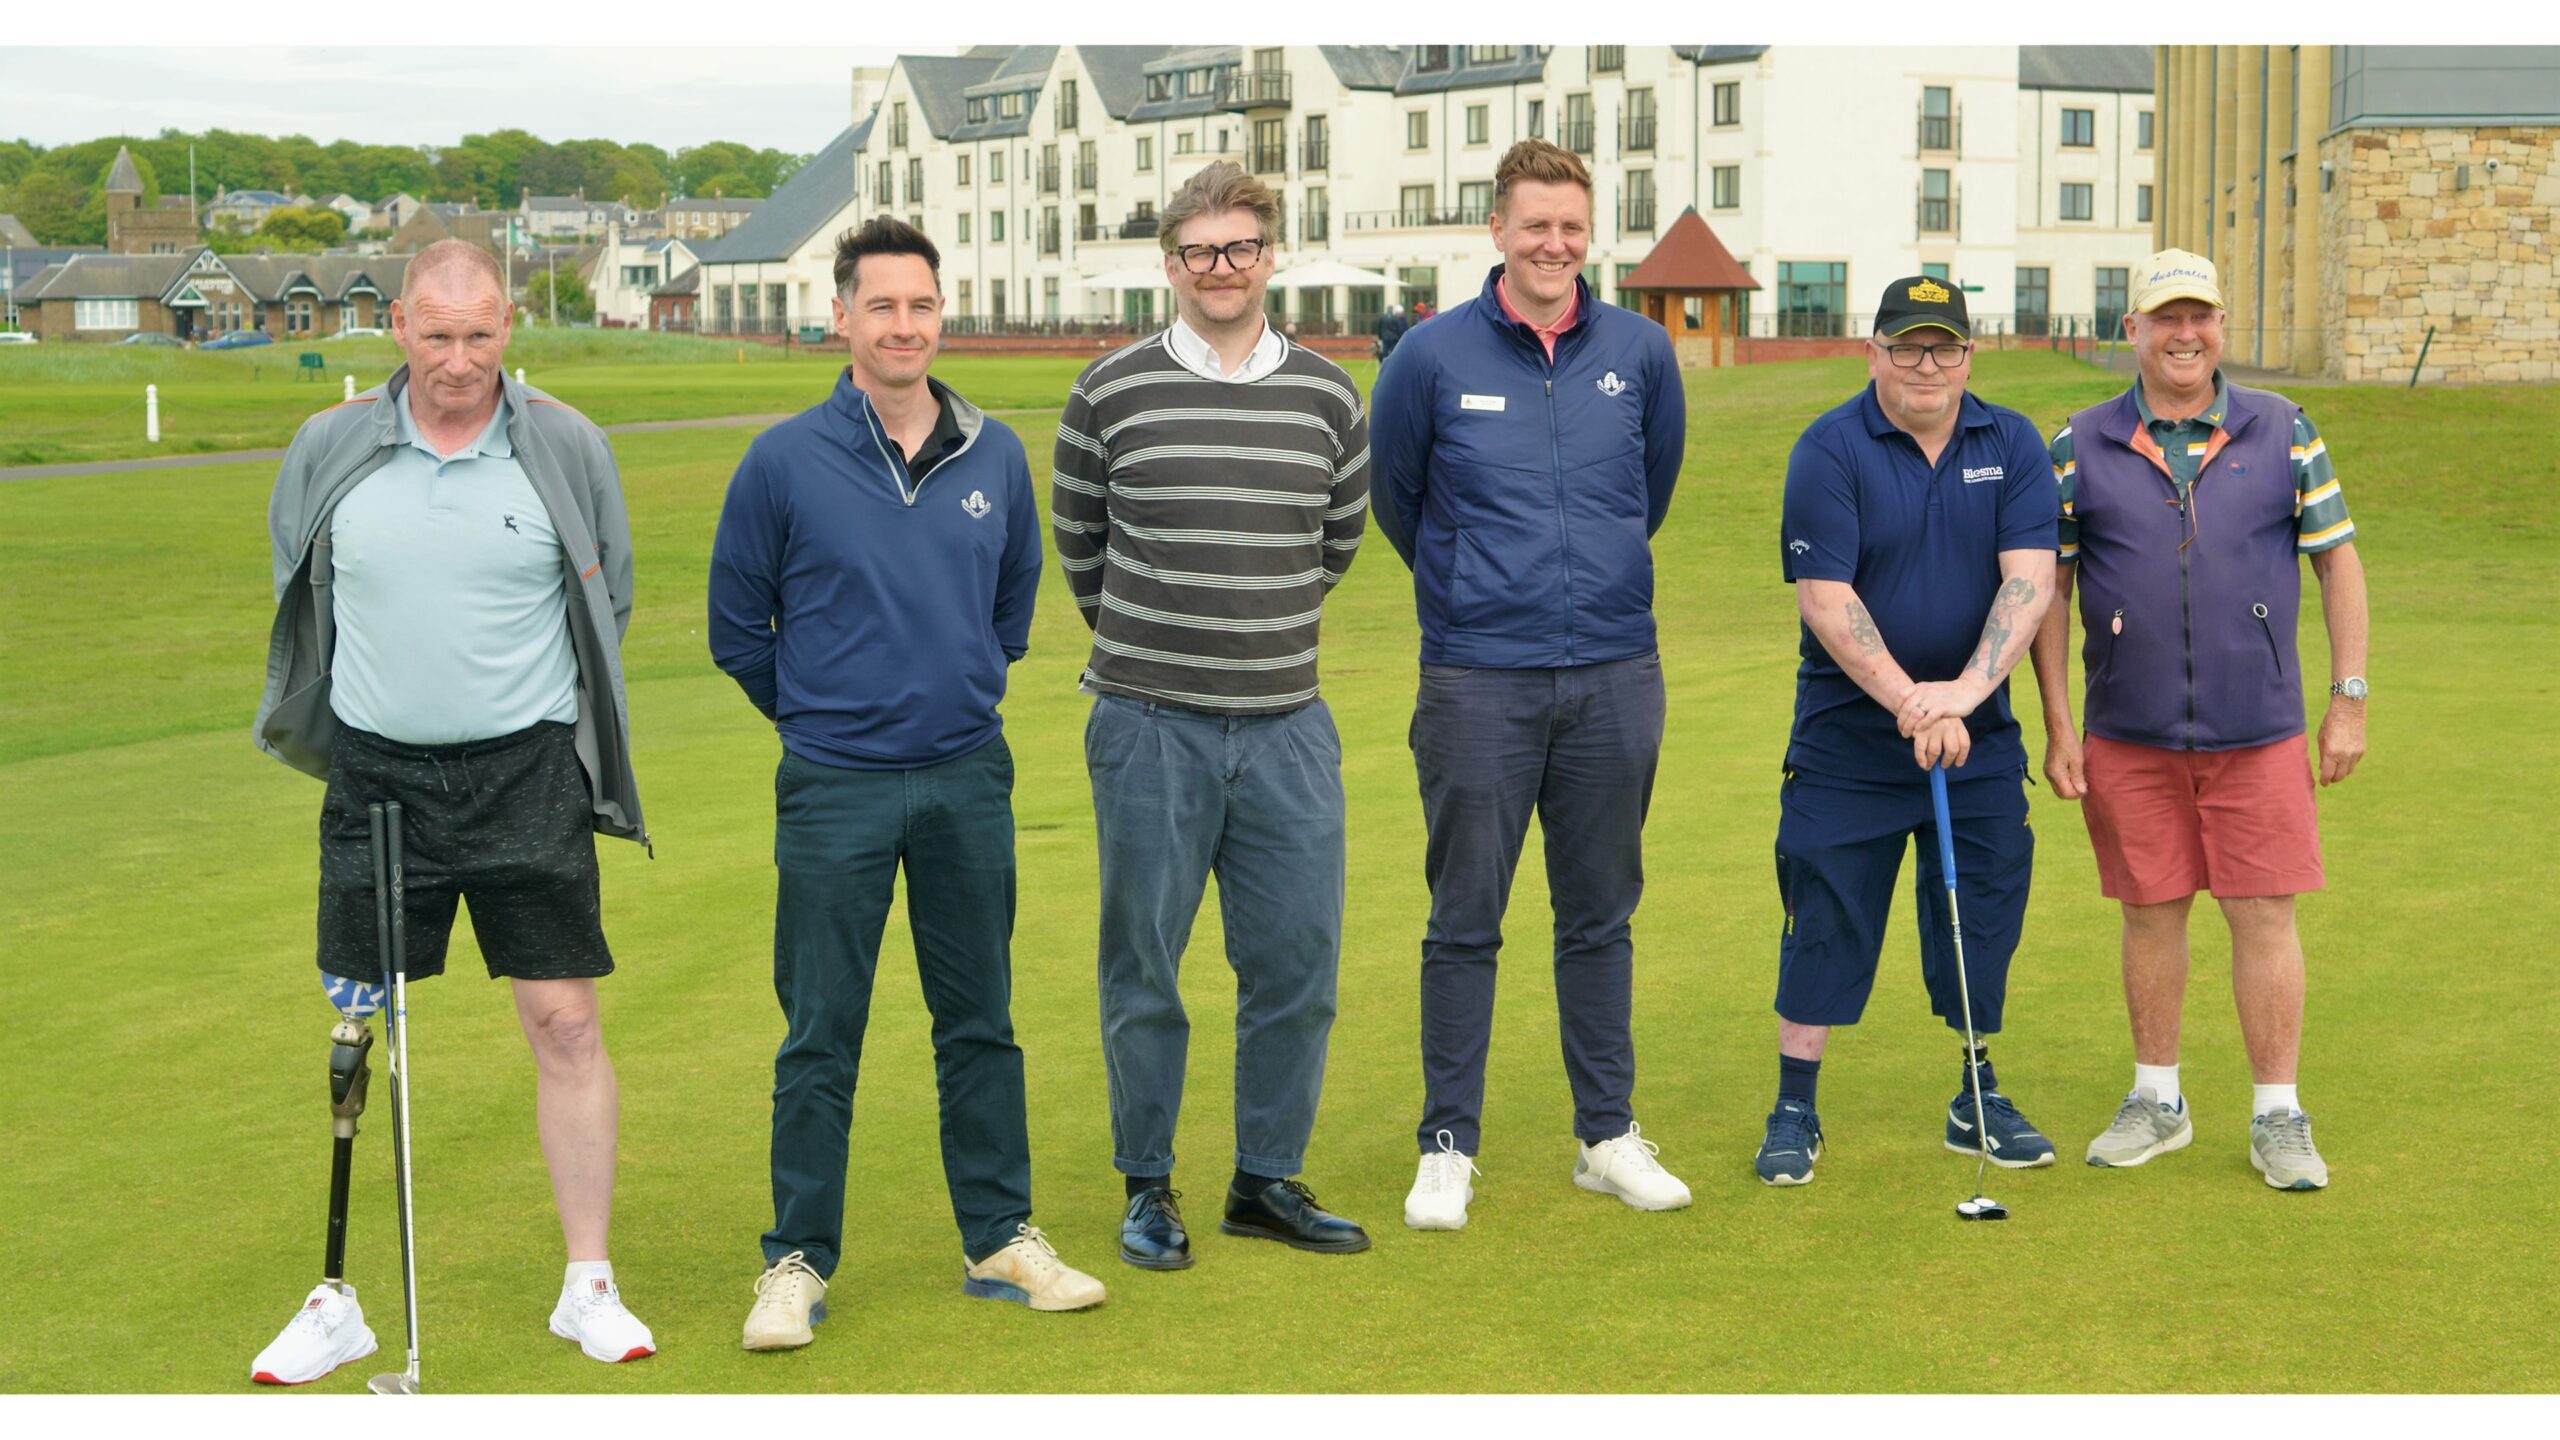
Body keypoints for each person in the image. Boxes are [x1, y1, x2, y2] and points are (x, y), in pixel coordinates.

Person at [250, 238, 655, 1382]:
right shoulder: (329, 444)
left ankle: (587, 1285)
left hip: (529, 771)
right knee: (357, 1022)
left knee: (564, 1022)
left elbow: (609, 596)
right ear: (399, 328)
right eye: (438, 335)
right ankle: (336, 1300)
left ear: (508, 326)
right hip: (377, 776)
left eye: (481, 335)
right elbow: (300, 585)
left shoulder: (565, 444)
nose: (460, 359)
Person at [710, 218, 1104, 1348]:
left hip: (965, 777)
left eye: (920, 305)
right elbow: (738, 629)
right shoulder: (783, 461)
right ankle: (796, 1259)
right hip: (833, 786)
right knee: (819, 1032)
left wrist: (950, 689)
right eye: (880, 306)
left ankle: (999, 1236)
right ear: (841, 317)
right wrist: (822, 715)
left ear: (942, 313)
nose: (903, 326)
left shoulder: (993, 455)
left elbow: (1010, 611)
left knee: (979, 1020)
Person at [1052, 161, 1373, 1269]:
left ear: (1270, 254)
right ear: (1171, 263)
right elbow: (1082, 547)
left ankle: (1264, 1180)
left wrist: (1249, 631)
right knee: (1143, 967)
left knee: (1297, 967)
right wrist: (1166, 640)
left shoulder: (1329, 395)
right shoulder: (1110, 390)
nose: (1219, 267)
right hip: (1148, 723)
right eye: (1198, 250)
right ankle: (1148, 1186)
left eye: (1239, 247)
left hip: (1287, 726)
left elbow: (1333, 543)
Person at [1369, 139, 1689, 1231]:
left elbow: (1646, 494)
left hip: (1614, 671)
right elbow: (1400, 503)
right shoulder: (1429, 356)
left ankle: (1605, 1136)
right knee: (1464, 920)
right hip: (1477, 680)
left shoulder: (1641, 351)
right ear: (1497, 229)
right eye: (1535, 225)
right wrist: (1478, 587)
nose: (1554, 244)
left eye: (1571, 226)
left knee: (1599, 917)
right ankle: (1446, 1146)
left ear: (1588, 234)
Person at [2031, 248, 2367, 1191]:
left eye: (2201, 317)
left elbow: (2337, 562)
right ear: (2131, 330)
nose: (2185, 335)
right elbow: (2050, 590)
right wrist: (2060, 724)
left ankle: (2278, 1115)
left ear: (2221, 325)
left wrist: (2348, 698)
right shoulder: (2078, 443)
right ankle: (2158, 1102)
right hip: (2127, 734)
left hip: (2258, 731)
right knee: (2150, 913)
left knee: (2263, 915)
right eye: (2165, 318)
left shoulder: (2285, 428)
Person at [1754, 276, 2060, 1188]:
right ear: (1874, 351)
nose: (1927, 365)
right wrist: (1915, 704)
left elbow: (2031, 583)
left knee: (1983, 910)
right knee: (1825, 912)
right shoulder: (1829, 449)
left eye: (1944, 346)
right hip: (1848, 739)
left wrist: (1962, 696)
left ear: (1970, 353)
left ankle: (1976, 1092)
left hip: (1978, 732)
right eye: (1907, 346)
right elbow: (1826, 600)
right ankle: (1795, 1106)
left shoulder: (2012, 444)